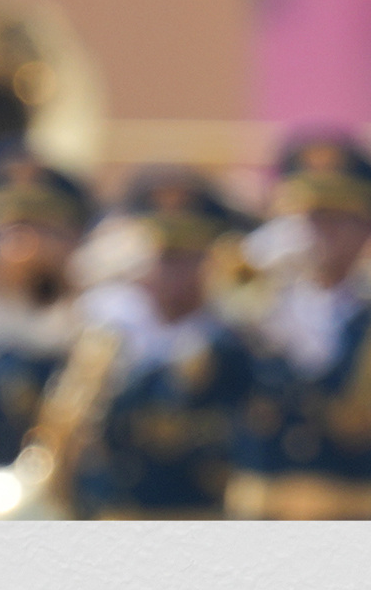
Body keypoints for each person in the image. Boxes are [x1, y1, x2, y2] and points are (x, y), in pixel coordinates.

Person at [226, 134, 371, 517]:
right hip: (267, 511)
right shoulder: (259, 308)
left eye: (338, 219)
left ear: (370, 228)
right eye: (308, 217)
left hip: (360, 511)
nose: (319, 231)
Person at [44, 171, 259, 520]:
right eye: (161, 257)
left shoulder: (233, 336)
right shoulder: (109, 330)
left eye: (187, 257)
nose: (170, 271)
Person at [0, 152, 91, 474]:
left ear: (72, 240)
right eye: (8, 230)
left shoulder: (98, 323)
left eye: (44, 229)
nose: (26, 245)